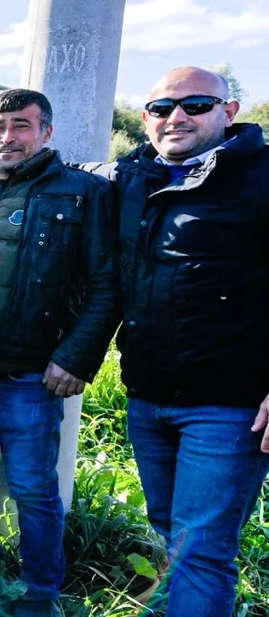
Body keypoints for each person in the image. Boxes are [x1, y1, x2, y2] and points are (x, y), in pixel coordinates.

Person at [0, 89, 118, 617]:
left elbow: (107, 285)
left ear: (46, 133)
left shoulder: (82, 194)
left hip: (29, 376)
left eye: (20, 125)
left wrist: (78, 357)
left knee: (35, 488)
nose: (6, 137)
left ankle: (41, 594)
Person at [92, 68, 269, 616]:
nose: (176, 118)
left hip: (230, 406)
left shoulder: (261, 178)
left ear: (229, 111)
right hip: (148, 397)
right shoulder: (134, 178)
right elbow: (72, 172)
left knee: (200, 551)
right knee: (175, 537)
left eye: (194, 104)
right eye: (161, 108)